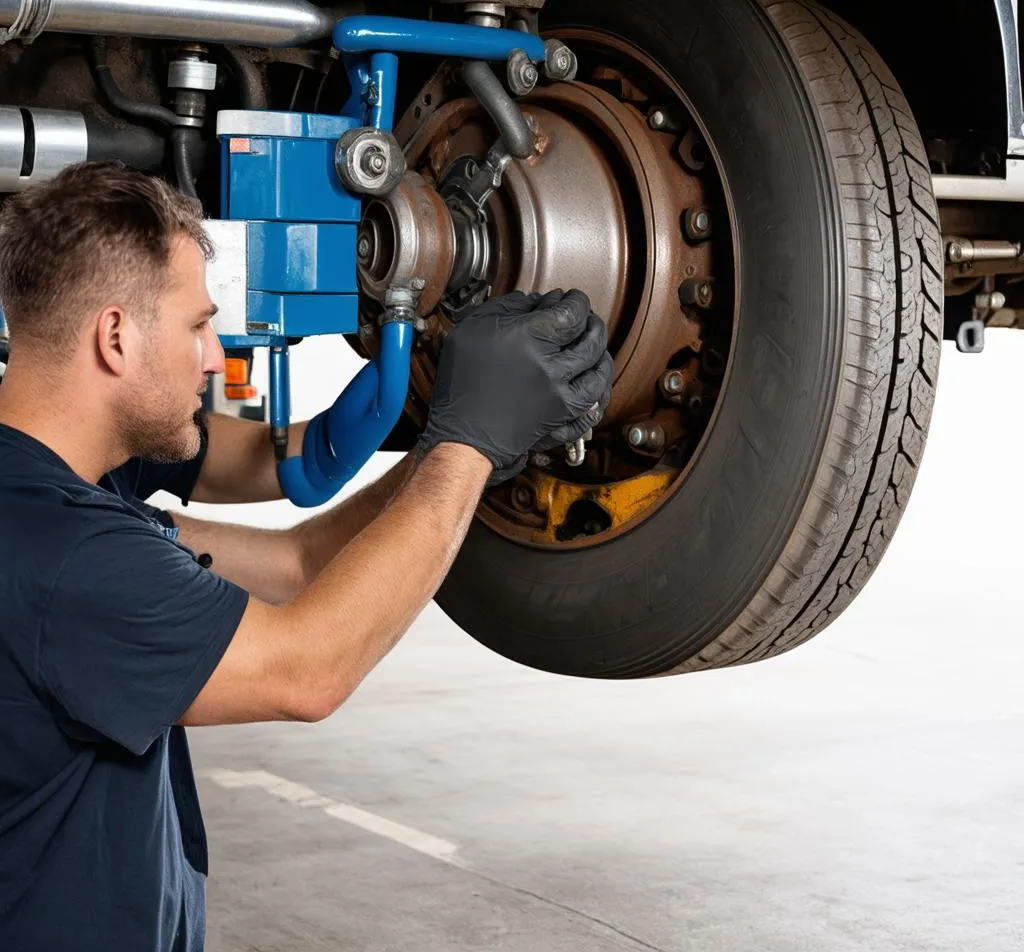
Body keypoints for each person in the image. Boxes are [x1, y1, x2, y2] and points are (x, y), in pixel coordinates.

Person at [0, 162, 613, 951]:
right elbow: (307, 671)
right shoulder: (69, 557)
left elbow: (296, 562)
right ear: (116, 337)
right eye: (197, 326)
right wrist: (466, 446)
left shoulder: (55, 496)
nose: (216, 357)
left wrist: (467, 454)